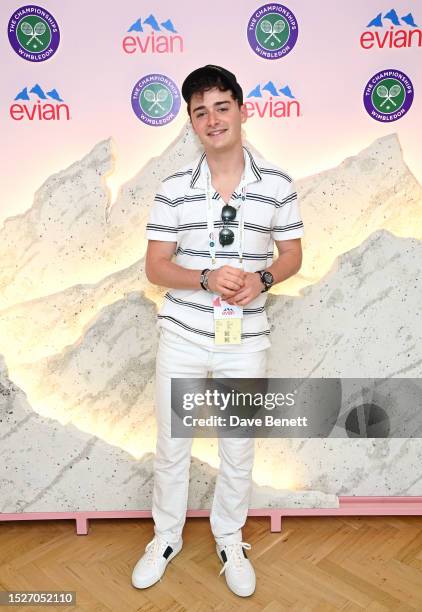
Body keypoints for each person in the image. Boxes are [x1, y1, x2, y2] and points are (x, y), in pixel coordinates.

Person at [131, 65, 304, 598]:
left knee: (238, 444)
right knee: (172, 443)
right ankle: (166, 537)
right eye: (200, 111)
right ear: (191, 123)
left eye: (221, 106)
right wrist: (204, 277)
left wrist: (263, 278)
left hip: (244, 338)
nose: (212, 119)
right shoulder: (173, 189)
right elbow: (156, 266)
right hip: (183, 332)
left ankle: (229, 537)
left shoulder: (277, 184)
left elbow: (293, 254)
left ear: (242, 110)